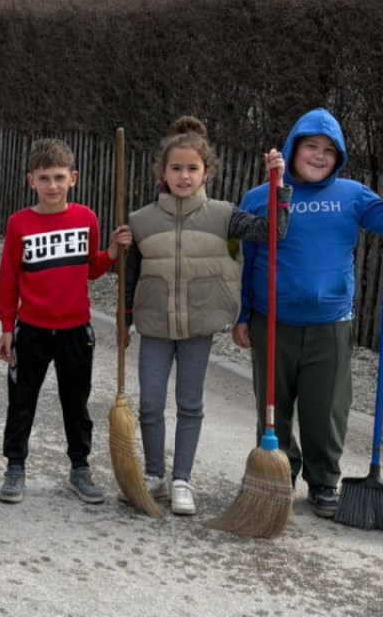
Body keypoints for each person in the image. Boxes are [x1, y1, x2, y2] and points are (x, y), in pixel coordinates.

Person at [232, 108, 383, 519]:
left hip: (330, 325)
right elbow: (249, 260)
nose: (318, 156)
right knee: (272, 408)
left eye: (328, 151)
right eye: (311, 147)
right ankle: (279, 473)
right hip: (271, 320)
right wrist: (243, 316)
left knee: (326, 409)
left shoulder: (352, 195)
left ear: (339, 157)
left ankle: (323, 481)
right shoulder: (262, 197)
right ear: (294, 148)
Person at [122, 116, 289, 516]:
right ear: (162, 172)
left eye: (192, 168)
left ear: (207, 172)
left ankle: (182, 479)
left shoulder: (225, 216)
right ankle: (154, 475)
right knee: (149, 403)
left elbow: (273, 231)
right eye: (176, 168)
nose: (183, 176)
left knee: (190, 404)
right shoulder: (140, 221)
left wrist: (278, 186)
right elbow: (130, 275)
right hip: (155, 326)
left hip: (199, 326)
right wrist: (125, 320)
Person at [0, 138, 131, 504]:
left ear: (73, 178)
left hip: (76, 329)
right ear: (30, 181)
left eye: (58, 177)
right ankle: (15, 466)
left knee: (76, 400)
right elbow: (8, 279)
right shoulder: (18, 224)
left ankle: (80, 467)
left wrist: (112, 252)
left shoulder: (86, 218)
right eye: (44, 178)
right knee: (22, 399)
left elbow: (92, 270)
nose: (51, 186)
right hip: (32, 329)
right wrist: (7, 327)